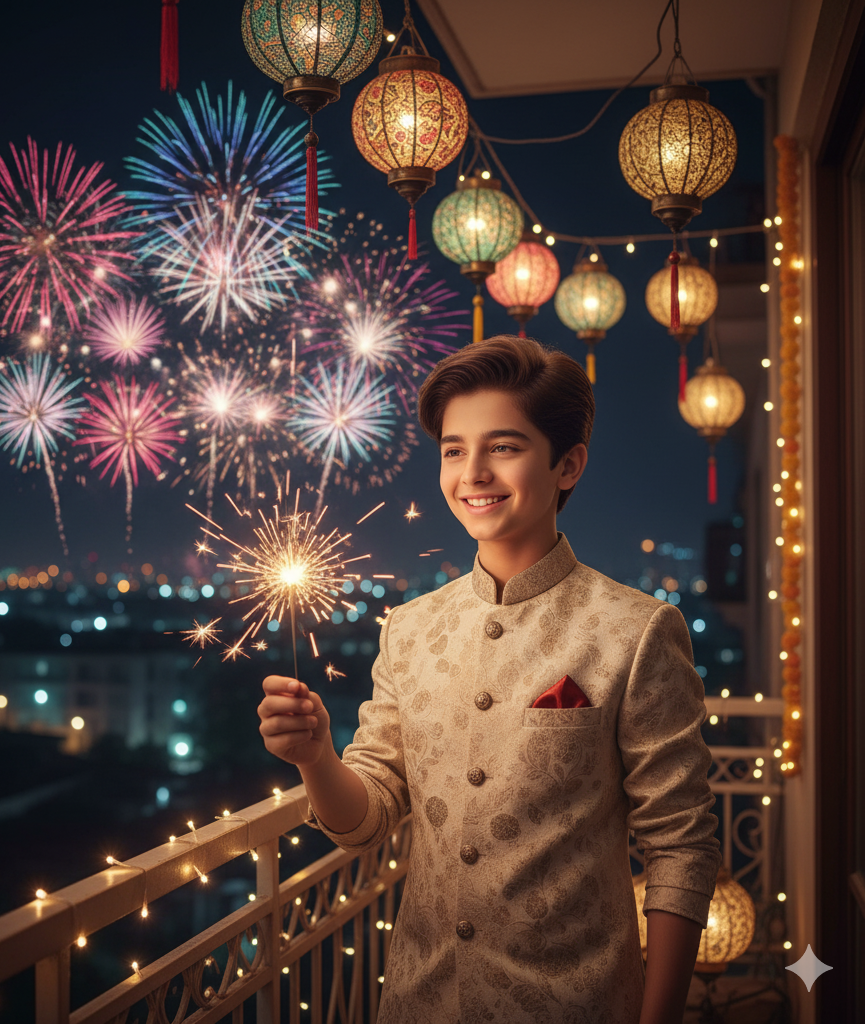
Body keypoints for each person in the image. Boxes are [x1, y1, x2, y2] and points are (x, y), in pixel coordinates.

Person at [258, 335, 721, 1024]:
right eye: (452, 450)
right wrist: (316, 756)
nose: (472, 472)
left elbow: (681, 843)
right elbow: (369, 818)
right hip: (420, 1002)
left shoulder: (636, 629)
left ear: (568, 464)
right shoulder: (408, 630)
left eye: (503, 446)